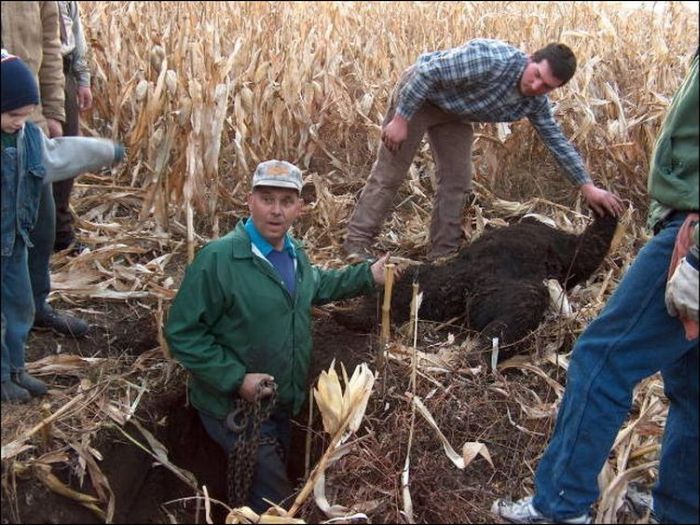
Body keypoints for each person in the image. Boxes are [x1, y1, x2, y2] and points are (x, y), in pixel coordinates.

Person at [491, 51, 698, 524]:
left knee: (601, 360)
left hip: (692, 236)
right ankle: (684, 507)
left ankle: (560, 505)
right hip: (685, 225)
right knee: (691, 381)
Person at [165, 160, 394, 513]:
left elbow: (317, 285)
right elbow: (182, 332)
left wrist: (368, 275)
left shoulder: (293, 254)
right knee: (278, 503)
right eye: (267, 198)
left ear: (299, 208)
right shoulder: (219, 260)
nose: (276, 210)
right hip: (234, 410)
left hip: (282, 403)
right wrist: (236, 378)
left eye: (286, 201)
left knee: (273, 486)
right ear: (249, 201)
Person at [343, 39, 623, 262]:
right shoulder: (492, 60)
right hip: (420, 96)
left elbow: (557, 142)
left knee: (457, 181)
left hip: (454, 112)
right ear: (530, 60)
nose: (536, 86)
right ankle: (356, 243)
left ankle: (442, 254)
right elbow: (427, 74)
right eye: (536, 75)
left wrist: (586, 186)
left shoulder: (535, 102)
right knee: (390, 174)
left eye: (547, 86)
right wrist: (401, 119)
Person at [1, 51, 124, 403]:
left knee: (21, 306)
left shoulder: (28, 138)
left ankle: (16, 370)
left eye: (26, 116)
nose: (20, 123)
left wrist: (105, 151)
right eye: (13, 115)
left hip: (15, 246)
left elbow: (60, 155)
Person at [1, 1, 90, 337]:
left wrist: (53, 110)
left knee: (41, 222)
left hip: (27, 120)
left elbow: (50, 45)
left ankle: (36, 307)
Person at [53, 0, 93, 253]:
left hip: (62, 71)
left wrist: (82, 79)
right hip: (26, 73)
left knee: (66, 156)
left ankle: (60, 233)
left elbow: (75, 33)